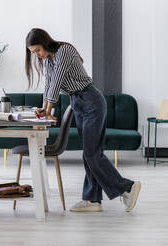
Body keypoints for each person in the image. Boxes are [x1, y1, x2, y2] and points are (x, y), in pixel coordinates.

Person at [25, 28, 141, 212]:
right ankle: (92, 199)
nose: (37, 55)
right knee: (90, 152)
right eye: (33, 53)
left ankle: (127, 187)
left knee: (92, 154)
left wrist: (48, 111)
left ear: (45, 42)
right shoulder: (48, 60)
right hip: (77, 102)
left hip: (91, 100)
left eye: (37, 50)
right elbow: (48, 85)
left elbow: (56, 83)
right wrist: (44, 110)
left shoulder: (64, 51)